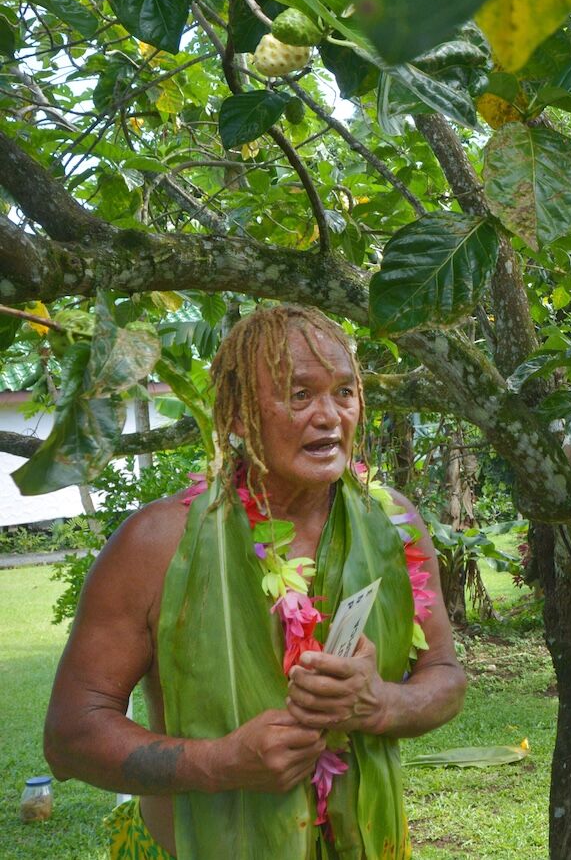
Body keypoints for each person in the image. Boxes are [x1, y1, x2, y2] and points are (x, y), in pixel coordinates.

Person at [44, 304, 467, 858]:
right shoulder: (156, 544)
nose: (330, 416)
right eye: (299, 395)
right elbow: (70, 737)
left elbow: (444, 676)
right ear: (238, 416)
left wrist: (379, 703)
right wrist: (219, 763)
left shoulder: (394, 526)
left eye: (344, 391)